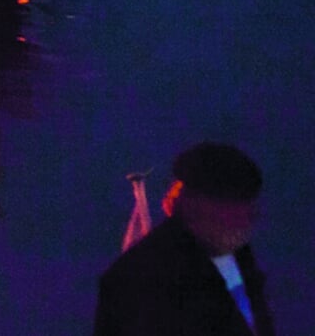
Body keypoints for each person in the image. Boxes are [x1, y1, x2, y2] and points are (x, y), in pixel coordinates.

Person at [95, 142, 273, 336]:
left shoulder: (242, 261)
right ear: (195, 204)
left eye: (248, 202)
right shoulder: (145, 275)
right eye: (234, 203)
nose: (250, 215)